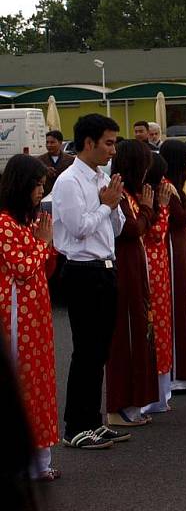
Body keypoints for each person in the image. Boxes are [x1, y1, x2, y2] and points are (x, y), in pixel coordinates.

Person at [52, 113, 130, 449]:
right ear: (89, 143)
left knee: (99, 350)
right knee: (85, 350)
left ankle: (92, 421)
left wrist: (113, 208)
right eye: (108, 143)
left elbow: (117, 228)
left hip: (105, 268)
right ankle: (74, 426)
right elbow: (78, 228)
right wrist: (104, 206)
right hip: (82, 271)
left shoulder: (100, 177)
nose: (113, 150)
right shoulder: (69, 181)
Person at [0, 155, 59, 479]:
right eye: (36, 185)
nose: (41, 191)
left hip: (36, 315)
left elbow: (45, 267)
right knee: (22, 385)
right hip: (16, 317)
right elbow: (22, 269)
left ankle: (41, 460)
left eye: (42, 185)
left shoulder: (26, 222)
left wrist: (44, 247)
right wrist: (42, 245)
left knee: (40, 383)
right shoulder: (4, 224)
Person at [105, 140, 159, 427]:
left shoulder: (130, 194)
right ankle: (117, 406)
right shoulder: (121, 194)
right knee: (124, 335)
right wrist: (150, 210)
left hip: (134, 268)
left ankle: (133, 401)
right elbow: (130, 229)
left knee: (139, 329)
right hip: (123, 270)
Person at [159, 139, 186, 395]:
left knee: (183, 304)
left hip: (180, 246)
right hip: (172, 248)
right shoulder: (168, 188)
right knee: (177, 306)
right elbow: (181, 219)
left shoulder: (175, 186)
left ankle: (183, 373)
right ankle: (177, 375)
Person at [141, 154, 174, 414]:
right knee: (152, 324)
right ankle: (151, 393)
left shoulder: (150, 192)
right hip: (150, 265)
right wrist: (162, 208)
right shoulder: (147, 196)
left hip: (157, 264)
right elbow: (156, 233)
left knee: (160, 323)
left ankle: (160, 391)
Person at [38, 130, 74, 195]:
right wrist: (44, 171)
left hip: (65, 194)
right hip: (46, 197)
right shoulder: (40, 160)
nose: (49, 145)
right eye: (47, 142)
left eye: (52, 142)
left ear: (60, 143)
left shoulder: (71, 160)